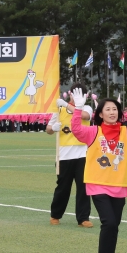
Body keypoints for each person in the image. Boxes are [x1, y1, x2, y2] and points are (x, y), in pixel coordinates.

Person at [69, 88, 127, 253]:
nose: (112, 112)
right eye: (108, 109)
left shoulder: (126, 132)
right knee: (109, 222)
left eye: (115, 109)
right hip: (98, 184)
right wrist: (78, 109)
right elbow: (77, 130)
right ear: (100, 114)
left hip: (120, 185)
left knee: (114, 226)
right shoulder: (93, 132)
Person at [46, 83, 94, 227]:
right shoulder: (59, 109)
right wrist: (52, 128)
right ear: (70, 95)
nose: (77, 98)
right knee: (63, 187)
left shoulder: (87, 108)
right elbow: (48, 129)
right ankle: (55, 214)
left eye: (81, 95)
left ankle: (83, 218)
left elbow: (84, 116)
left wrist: (68, 106)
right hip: (64, 156)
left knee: (84, 187)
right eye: (74, 94)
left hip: (83, 154)